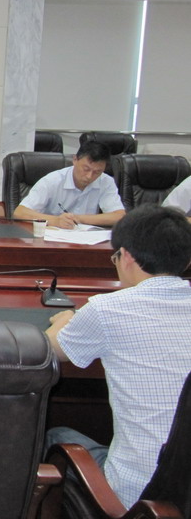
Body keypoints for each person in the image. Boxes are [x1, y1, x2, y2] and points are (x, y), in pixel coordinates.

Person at [44, 205, 191, 509]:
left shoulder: (107, 309)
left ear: (126, 256)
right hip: (184, 493)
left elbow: (48, 350)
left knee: (55, 434)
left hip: (141, 497)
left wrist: (64, 321)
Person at [13, 141, 125, 229]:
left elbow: (119, 216)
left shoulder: (105, 181)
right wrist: (56, 221)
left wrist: (79, 219)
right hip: (51, 239)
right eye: (86, 169)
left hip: (86, 240)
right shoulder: (52, 181)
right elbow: (20, 212)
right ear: (75, 159)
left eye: (97, 172)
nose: (89, 176)